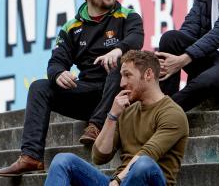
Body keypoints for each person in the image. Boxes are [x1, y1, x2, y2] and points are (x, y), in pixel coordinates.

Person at [0, 0, 144, 177]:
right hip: (89, 93)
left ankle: (97, 126)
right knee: (39, 87)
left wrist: (118, 50)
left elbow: (136, 40)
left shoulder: (128, 15)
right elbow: (55, 62)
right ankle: (31, 157)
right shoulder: (71, 28)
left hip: (120, 95)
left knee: (120, 65)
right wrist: (58, 74)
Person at [45, 50, 189, 186]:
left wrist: (117, 181)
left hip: (145, 181)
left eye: (127, 75)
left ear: (148, 74)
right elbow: (99, 156)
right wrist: (112, 116)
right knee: (63, 160)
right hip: (118, 182)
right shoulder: (126, 111)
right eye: (121, 76)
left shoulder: (173, 113)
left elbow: (149, 154)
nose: (121, 83)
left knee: (144, 164)